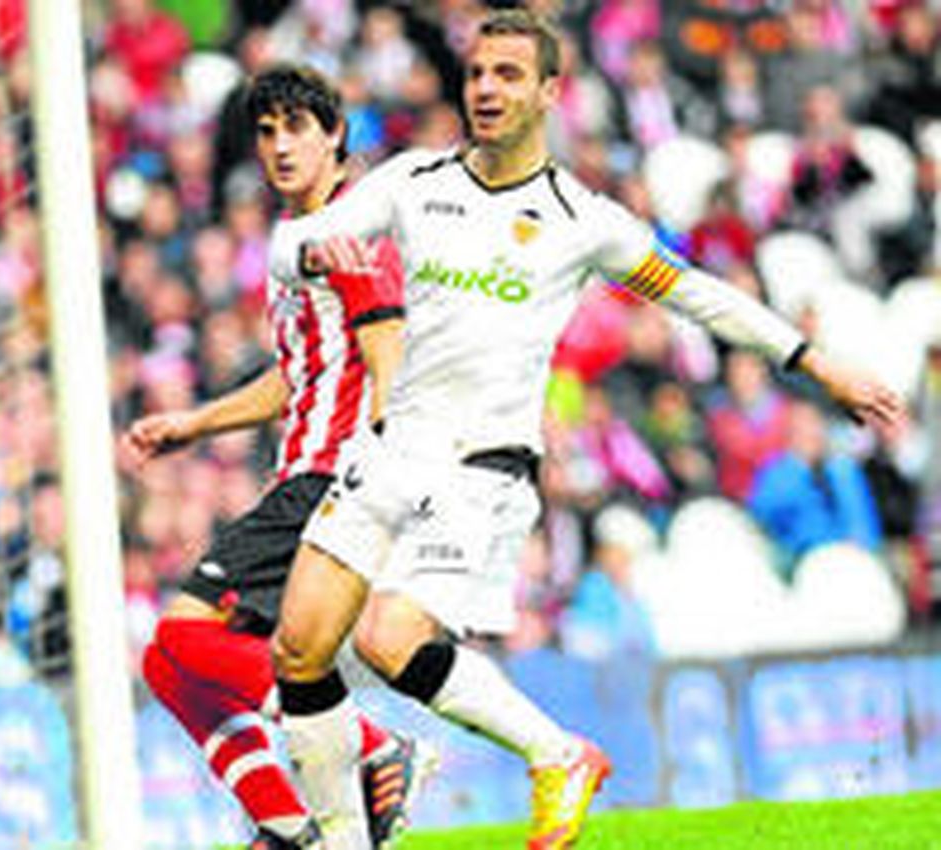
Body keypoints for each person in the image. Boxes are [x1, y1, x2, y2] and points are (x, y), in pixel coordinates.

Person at [261, 9, 907, 850]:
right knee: (298, 648)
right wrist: (310, 256)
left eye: (507, 75)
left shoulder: (581, 218)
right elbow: (297, 241)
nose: (486, 89)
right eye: (477, 73)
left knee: (389, 639)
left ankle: (556, 754)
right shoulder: (414, 181)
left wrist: (816, 363)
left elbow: (699, 294)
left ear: (550, 93)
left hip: (476, 469)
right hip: (388, 450)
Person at [126, 65, 432, 850]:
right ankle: (286, 824)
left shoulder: (349, 230)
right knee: (168, 666)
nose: (279, 146)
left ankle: (371, 747)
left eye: (298, 127)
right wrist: (196, 423)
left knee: (183, 638)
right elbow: (300, 371)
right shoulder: (294, 240)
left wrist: (380, 474)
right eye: (266, 132)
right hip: (303, 475)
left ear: (336, 136)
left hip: (332, 479)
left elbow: (387, 350)